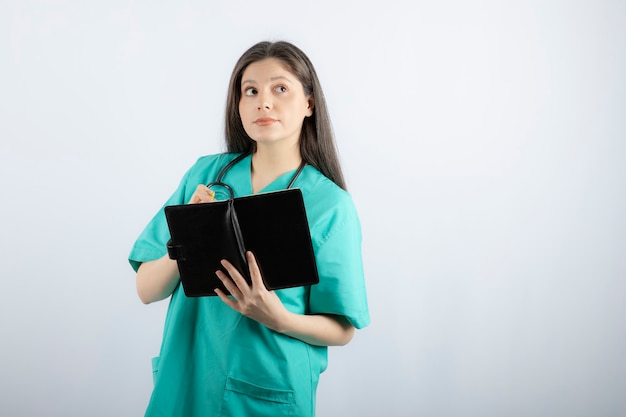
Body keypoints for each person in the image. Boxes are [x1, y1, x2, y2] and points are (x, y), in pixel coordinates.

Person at [129, 40, 370, 417]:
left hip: (269, 387)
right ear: (238, 105)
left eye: (280, 89)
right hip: (189, 381)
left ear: (309, 103)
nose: (264, 102)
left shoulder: (329, 205)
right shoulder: (206, 177)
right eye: (251, 91)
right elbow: (146, 289)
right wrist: (190, 235)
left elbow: (343, 328)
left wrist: (278, 317)